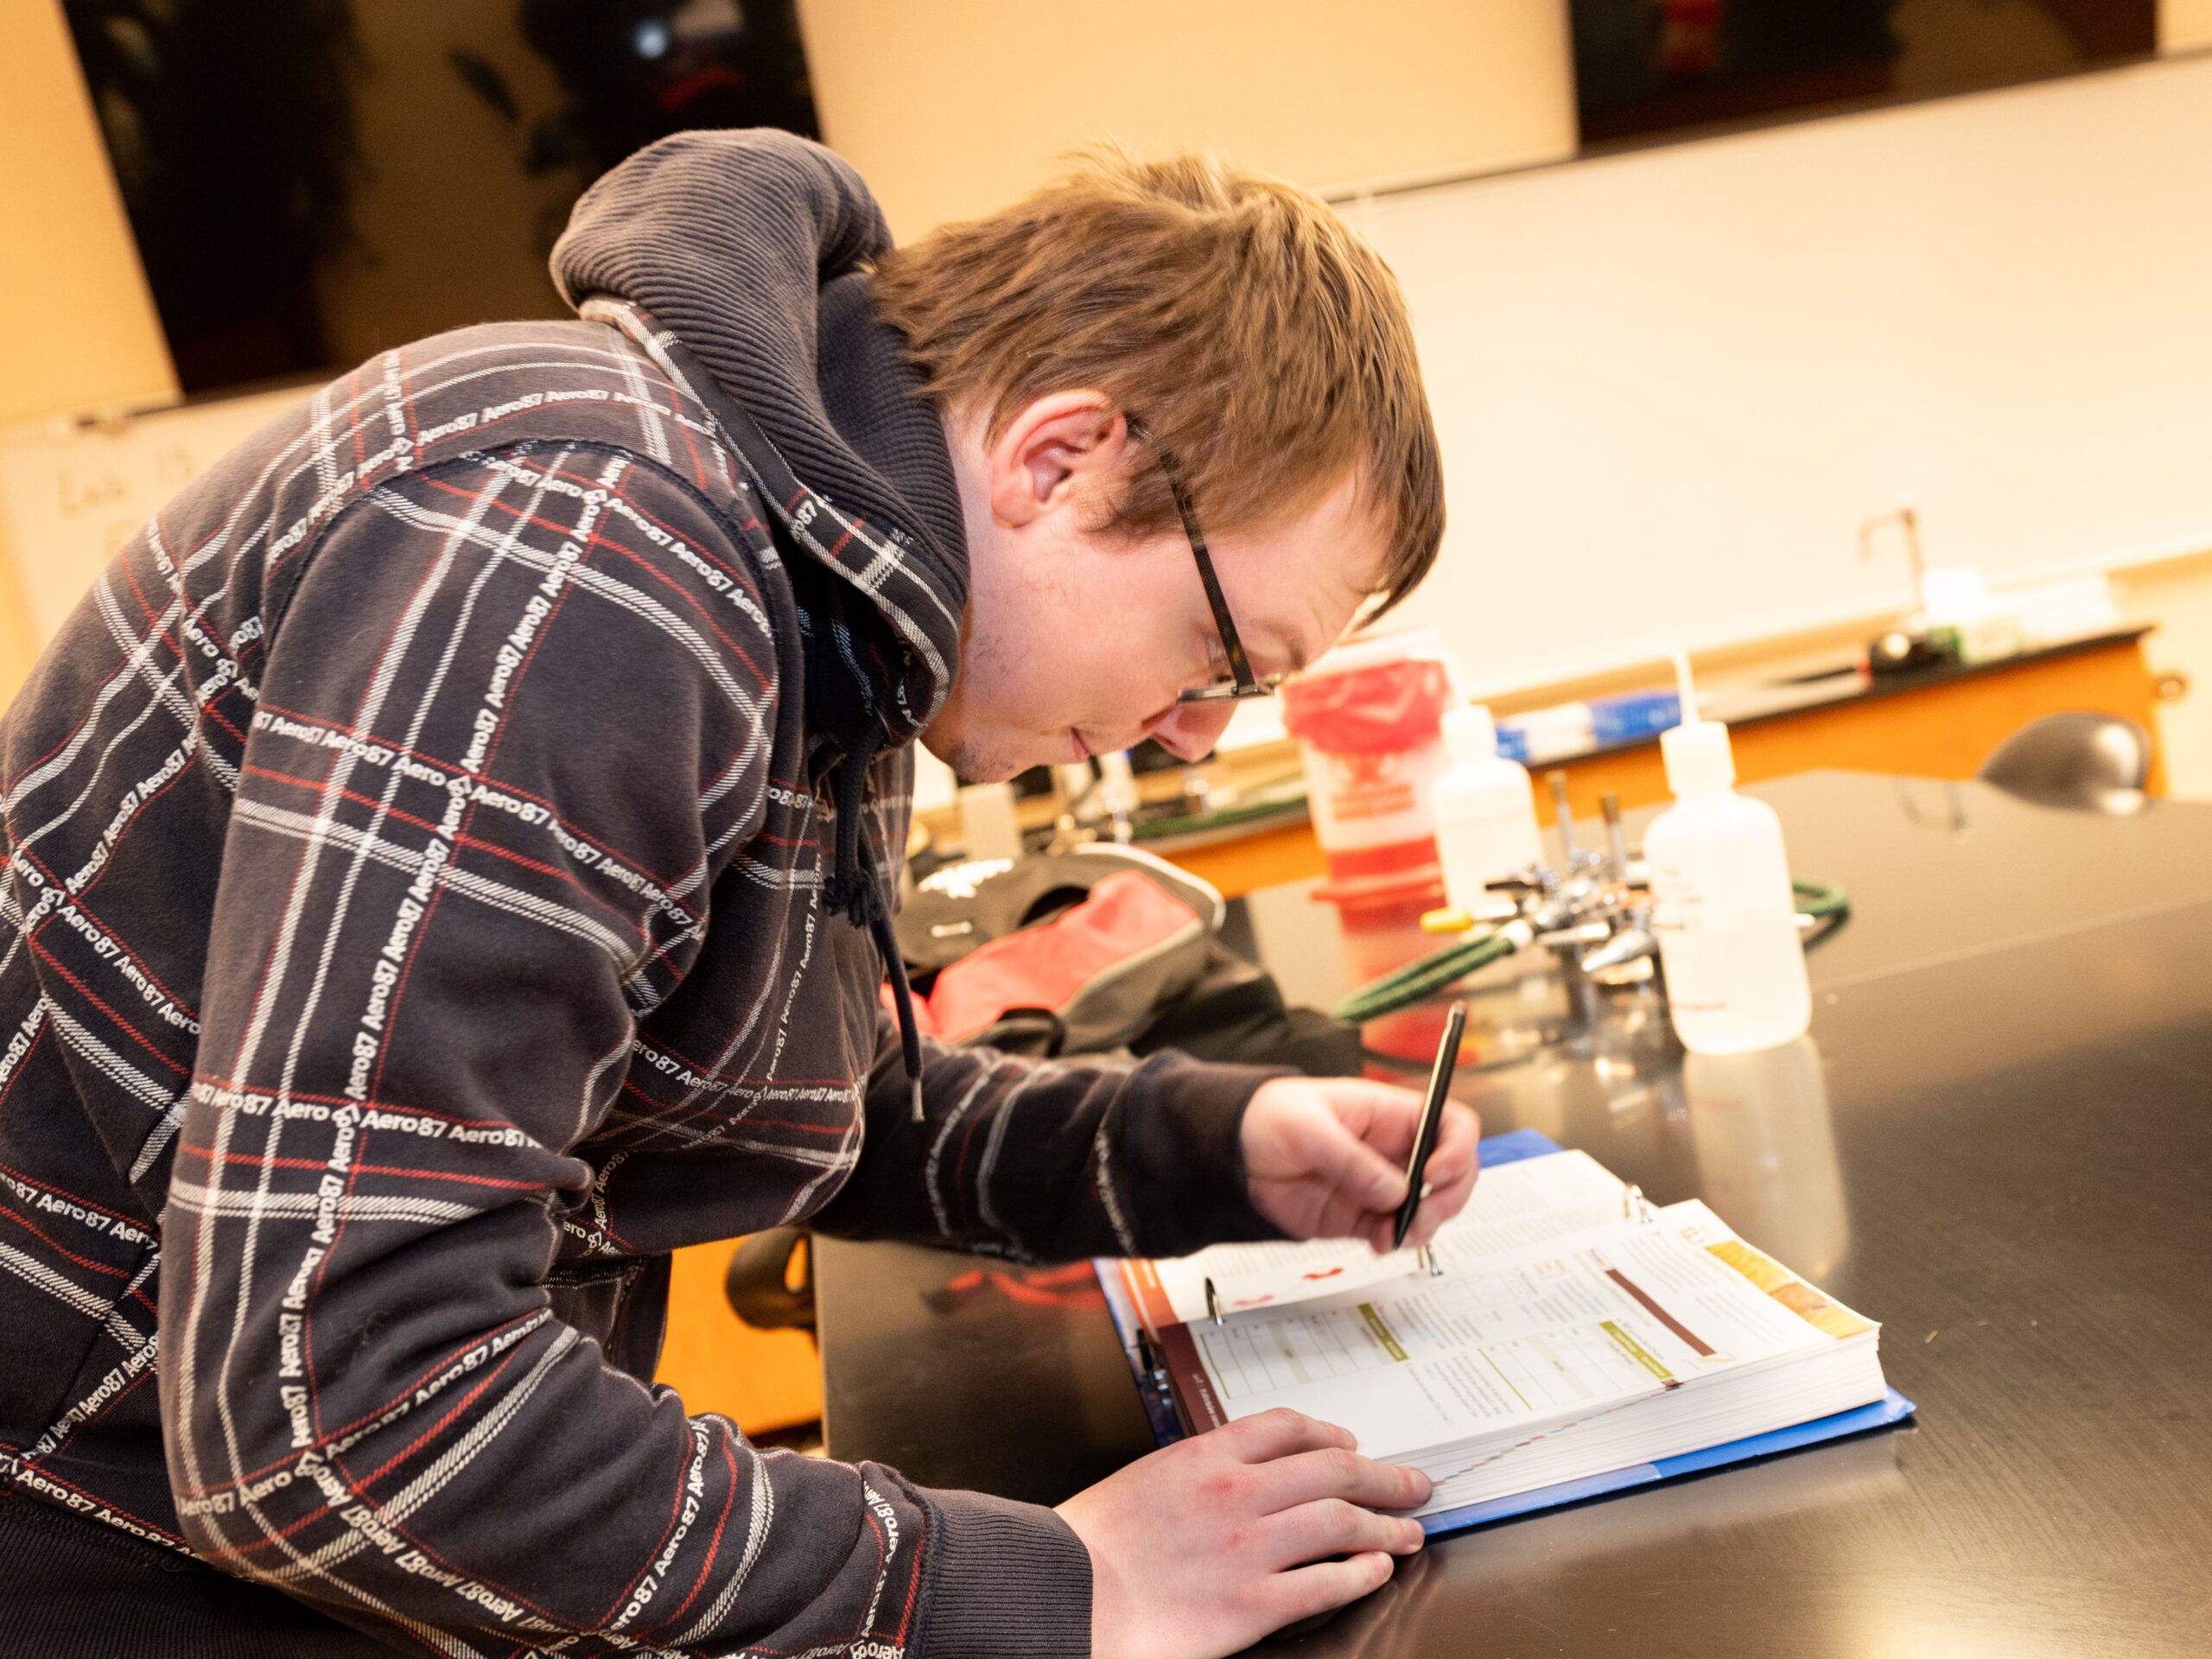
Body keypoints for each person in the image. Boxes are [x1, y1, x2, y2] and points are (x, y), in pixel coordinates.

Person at [0, 130, 1473, 1658]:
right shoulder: (591, 549)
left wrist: (1203, 1145)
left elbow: (778, 1091)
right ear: (1060, 458)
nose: (1199, 732)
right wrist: (1042, 1588)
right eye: (1222, 653)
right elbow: (339, 1412)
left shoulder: (853, 614)